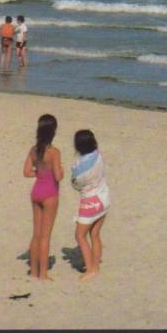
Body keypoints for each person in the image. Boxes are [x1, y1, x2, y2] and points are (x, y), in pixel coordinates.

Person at [23, 114, 63, 280]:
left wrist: (39, 172)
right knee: (46, 235)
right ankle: (43, 274)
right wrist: (62, 170)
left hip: (36, 191)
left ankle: (33, 270)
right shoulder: (54, 152)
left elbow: (26, 172)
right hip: (50, 193)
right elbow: (58, 176)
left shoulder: (34, 150)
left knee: (36, 234)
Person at [71, 129, 111, 281]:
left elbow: (75, 184)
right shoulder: (98, 156)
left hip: (91, 202)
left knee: (80, 235)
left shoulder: (79, 167)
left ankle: (90, 269)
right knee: (95, 234)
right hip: (104, 198)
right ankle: (96, 266)